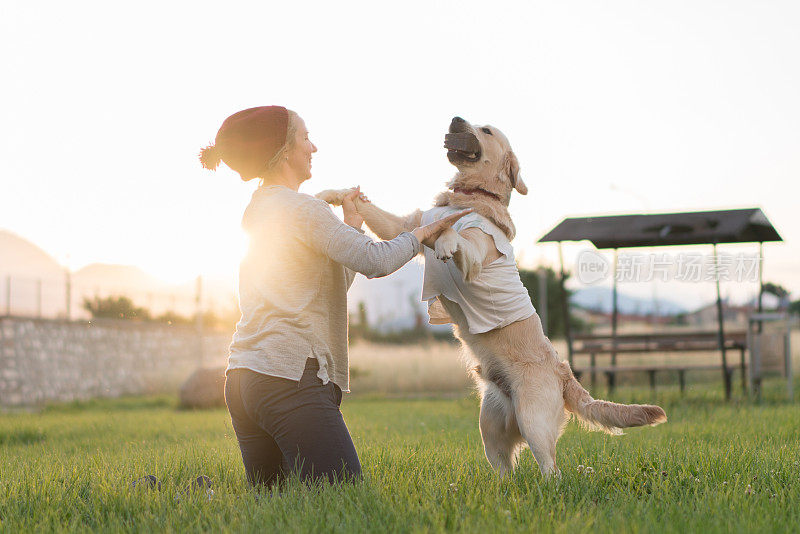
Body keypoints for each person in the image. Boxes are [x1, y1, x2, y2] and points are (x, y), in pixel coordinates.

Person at [199, 106, 469, 488]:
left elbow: (324, 288)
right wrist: (424, 234)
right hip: (286, 378)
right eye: (304, 137)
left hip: (244, 379)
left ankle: (200, 494)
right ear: (283, 151)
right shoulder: (304, 208)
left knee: (276, 505)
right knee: (342, 497)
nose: (314, 147)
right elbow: (377, 260)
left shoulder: (261, 207)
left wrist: (350, 227)